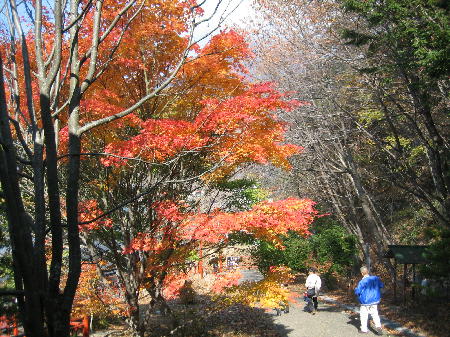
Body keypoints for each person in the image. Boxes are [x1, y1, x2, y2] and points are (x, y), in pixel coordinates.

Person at [354, 266, 384, 335]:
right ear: (368, 271)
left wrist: (355, 289)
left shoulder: (362, 281)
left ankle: (364, 329)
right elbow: (381, 285)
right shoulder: (376, 278)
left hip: (365, 301)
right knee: (375, 314)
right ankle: (378, 326)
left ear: (362, 273)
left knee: (363, 315)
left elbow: (357, 291)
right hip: (375, 300)